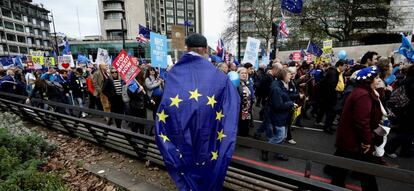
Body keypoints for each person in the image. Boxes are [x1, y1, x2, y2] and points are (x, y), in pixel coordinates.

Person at [154, 34, 240, 190]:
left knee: (188, 165)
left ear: (187, 48)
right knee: (205, 166)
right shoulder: (219, 77)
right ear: (206, 49)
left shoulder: (173, 73)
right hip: (208, 135)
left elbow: (166, 106)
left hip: (182, 134)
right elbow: (231, 104)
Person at [330, 66, 382, 191]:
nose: (379, 80)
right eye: (377, 78)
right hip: (355, 141)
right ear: (369, 80)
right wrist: (367, 141)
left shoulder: (360, 91)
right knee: (366, 171)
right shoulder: (363, 95)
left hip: (350, 139)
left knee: (341, 170)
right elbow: (362, 121)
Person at [263, 68, 294, 161]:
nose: (291, 76)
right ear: (284, 76)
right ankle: (265, 149)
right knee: (280, 136)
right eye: (289, 74)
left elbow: (286, 96)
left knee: (282, 136)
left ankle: (279, 153)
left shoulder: (282, 85)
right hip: (278, 116)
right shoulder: (276, 88)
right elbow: (278, 105)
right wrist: (291, 103)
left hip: (283, 115)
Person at [385, 64, 414, 158]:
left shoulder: (407, 79)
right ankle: (389, 148)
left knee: (406, 131)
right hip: (408, 111)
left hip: (402, 110)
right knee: (407, 133)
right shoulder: (411, 82)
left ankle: (406, 151)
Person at [315, 60, 346, 134]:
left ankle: (329, 125)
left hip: (336, 94)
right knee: (331, 112)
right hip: (332, 95)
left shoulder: (339, 73)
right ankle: (327, 127)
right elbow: (330, 86)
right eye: (344, 66)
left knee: (332, 112)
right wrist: (333, 97)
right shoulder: (333, 72)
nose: (346, 67)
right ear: (340, 65)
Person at [237, 67, 253, 137]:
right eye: (242, 73)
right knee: (241, 125)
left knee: (246, 124)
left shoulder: (246, 83)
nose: (244, 75)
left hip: (247, 109)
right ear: (238, 74)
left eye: (246, 73)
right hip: (240, 109)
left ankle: (245, 136)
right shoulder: (236, 84)